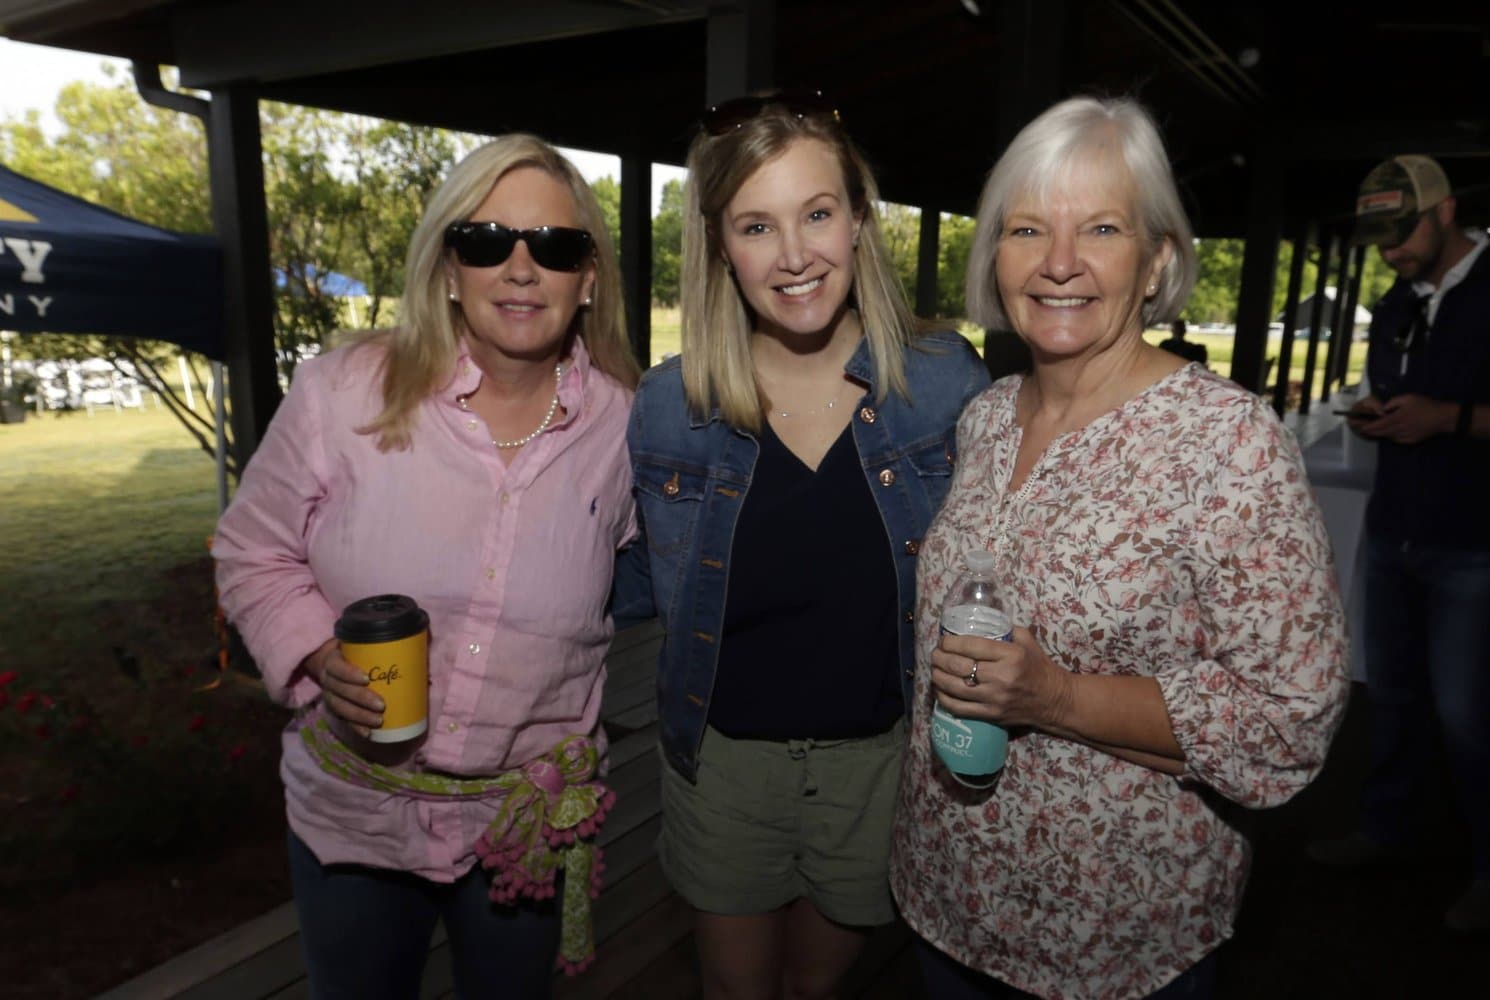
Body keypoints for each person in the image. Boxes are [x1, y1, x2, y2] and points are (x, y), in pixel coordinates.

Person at [888, 95, 1350, 1000]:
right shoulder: (986, 417)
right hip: (945, 897)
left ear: (1157, 261)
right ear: (996, 256)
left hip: (1115, 943)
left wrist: (1056, 698)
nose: (1059, 262)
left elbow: (1288, 720)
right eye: (1027, 229)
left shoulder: (1227, 441)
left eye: (1100, 228)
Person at [212, 134, 640, 997]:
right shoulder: (342, 393)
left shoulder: (631, 430)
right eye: (487, 241)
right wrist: (316, 653)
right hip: (354, 819)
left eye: (554, 247)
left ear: (589, 279)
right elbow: (251, 549)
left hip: (521, 829)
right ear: (448, 268)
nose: (520, 269)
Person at [612, 91, 989, 1000]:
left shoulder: (945, 386)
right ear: (720, 246)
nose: (793, 255)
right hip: (725, 764)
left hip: (884, 763)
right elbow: (615, 577)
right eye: (756, 226)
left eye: (817, 214)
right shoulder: (670, 405)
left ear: (859, 220)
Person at [1306, 155, 1490, 932]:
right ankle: (1388, 829)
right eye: (1379, 237)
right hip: (1396, 529)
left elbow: (1445, 411)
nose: (1390, 250)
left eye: (1402, 231)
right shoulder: (1396, 301)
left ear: (1446, 210)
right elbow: (1393, 394)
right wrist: (1379, 414)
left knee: (1469, 715)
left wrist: (1447, 419)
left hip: (1478, 540)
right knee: (1392, 697)